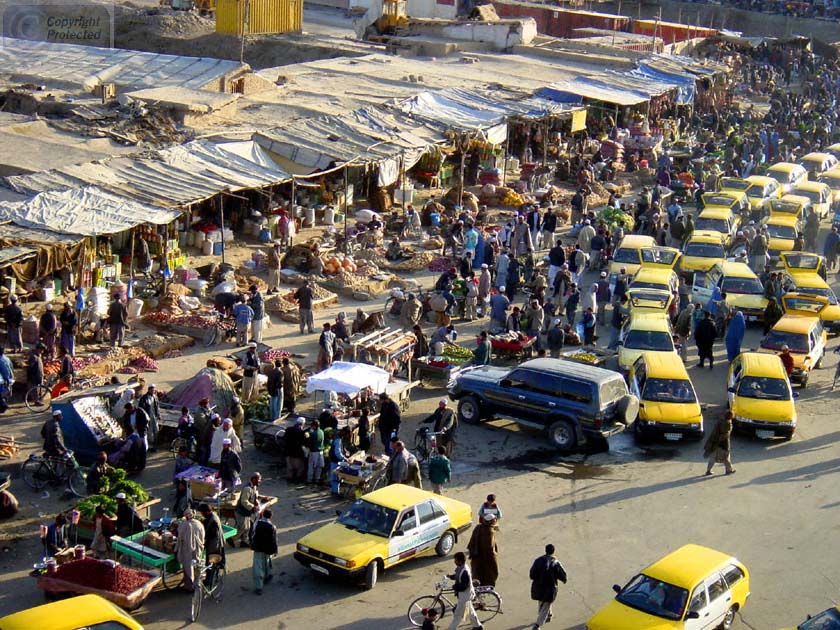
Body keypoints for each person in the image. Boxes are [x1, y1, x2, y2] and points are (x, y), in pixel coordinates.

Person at [529, 544, 568, 630]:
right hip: (550, 588)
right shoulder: (555, 562)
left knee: (542, 602)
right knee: (545, 605)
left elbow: (532, 574)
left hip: (538, 586)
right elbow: (562, 575)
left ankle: (549, 615)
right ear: (553, 551)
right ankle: (537, 625)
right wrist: (564, 580)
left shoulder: (538, 560)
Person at [446, 552, 483, 630]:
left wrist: (454, 587)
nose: (454, 561)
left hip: (465, 596)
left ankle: (451, 628)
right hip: (465, 595)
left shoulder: (464, 572)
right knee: (470, 612)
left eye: (455, 560)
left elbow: (463, 586)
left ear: (460, 561)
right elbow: (457, 576)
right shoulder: (462, 568)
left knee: (458, 615)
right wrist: (450, 576)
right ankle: (477, 626)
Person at [176, 509, 205, 592]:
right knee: (197, 564)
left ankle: (189, 587)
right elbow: (202, 536)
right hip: (198, 548)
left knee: (188, 567)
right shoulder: (199, 524)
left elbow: (180, 536)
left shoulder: (184, 525)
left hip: (187, 549)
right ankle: (197, 583)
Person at [250, 507, 278, 595]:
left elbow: (252, 535)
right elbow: (274, 540)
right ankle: (267, 576)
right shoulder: (272, 527)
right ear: (271, 517)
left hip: (258, 549)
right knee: (267, 562)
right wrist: (275, 550)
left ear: (262, 515)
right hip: (268, 549)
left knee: (258, 567)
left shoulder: (257, 523)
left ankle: (259, 587)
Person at [467, 513, 499, 587]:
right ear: (490, 521)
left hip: (476, 557)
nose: (495, 520)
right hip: (486, 559)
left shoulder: (478, 527)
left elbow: (472, 541)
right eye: (494, 519)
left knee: (476, 574)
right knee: (489, 575)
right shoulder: (490, 531)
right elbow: (490, 548)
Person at [235, 472, 262, 548]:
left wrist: (258, 501)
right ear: (253, 479)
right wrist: (253, 507)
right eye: (259, 479)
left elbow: (254, 496)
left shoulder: (254, 487)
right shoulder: (247, 489)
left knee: (248, 527)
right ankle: (232, 538)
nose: (260, 481)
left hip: (247, 512)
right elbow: (244, 501)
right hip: (241, 511)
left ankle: (244, 541)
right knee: (242, 528)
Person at [704, 410, 735, 476]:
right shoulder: (727, 423)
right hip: (723, 444)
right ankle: (729, 470)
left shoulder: (720, 421)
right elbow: (726, 434)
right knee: (726, 458)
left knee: (712, 458)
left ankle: (708, 470)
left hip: (714, 442)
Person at [328, 426, 350, 495]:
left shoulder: (338, 436)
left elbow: (339, 448)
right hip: (335, 460)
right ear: (343, 432)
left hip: (334, 459)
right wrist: (344, 458)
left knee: (335, 476)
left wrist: (344, 450)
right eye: (346, 434)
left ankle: (334, 491)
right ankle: (335, 492)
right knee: (335, 476)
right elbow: (337, 452)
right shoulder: (338, 439)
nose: (346, 436)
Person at [138, 384, 161, 449]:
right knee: (149, 432)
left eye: (154, 390)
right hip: (148, 417)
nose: (153, 391)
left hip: (154, 416)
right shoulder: (144, 398)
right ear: (149, 390)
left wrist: (158, 415)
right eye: (152, 390)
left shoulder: (155, 397)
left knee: (156, 430)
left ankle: (155, 445)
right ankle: (150, 446)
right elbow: (141, 408)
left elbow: (157, 407)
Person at [284, 417, 307, 482]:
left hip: (288, 451)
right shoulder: (302, 432)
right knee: (299, 467)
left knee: (289, 467)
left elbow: (284, 438)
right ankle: (297, 479)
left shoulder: (288, 429)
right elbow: (304, 442)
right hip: (297, 453)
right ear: (303, 424)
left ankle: (289, 479)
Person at [306, 419, 325, 484]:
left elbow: (309, 442)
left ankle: (309, 479)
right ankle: (317, 479)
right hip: (321, 451)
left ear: (314, 426)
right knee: (319, 466)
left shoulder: (313, 433)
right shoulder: (322, 431)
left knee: (311, 466)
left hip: (314, 451)